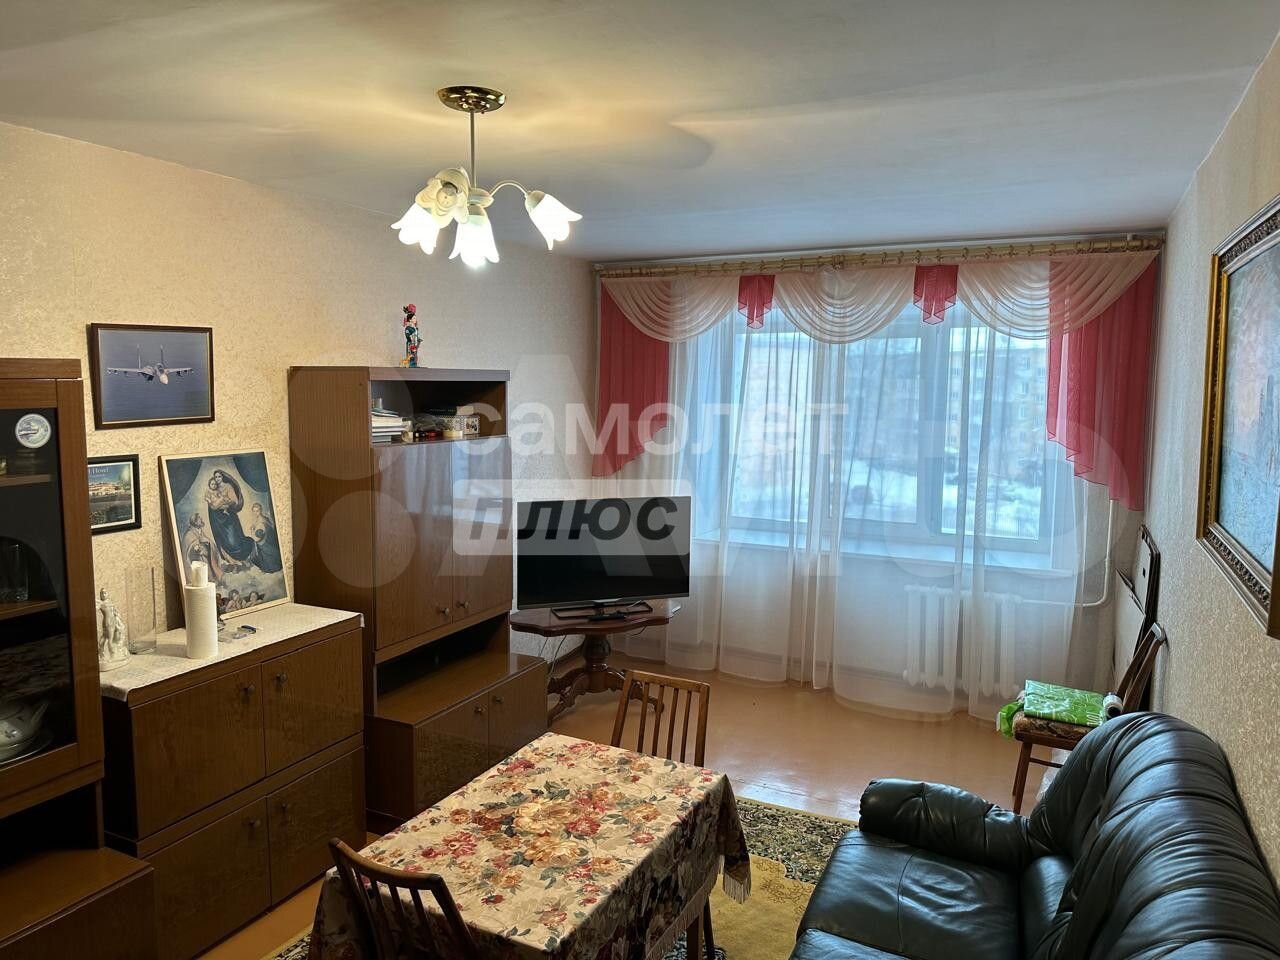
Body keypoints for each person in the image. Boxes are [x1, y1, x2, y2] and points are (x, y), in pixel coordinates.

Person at [248, 502, 283, 573]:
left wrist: (252, 531)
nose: (256, 513)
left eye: (257, 511)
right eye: (254, 511)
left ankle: (270, 568)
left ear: (260, 510)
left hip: (265, 542)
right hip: (265, 540)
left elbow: (257, 537)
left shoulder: (262, 521)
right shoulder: (261, 518)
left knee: (265, 555)